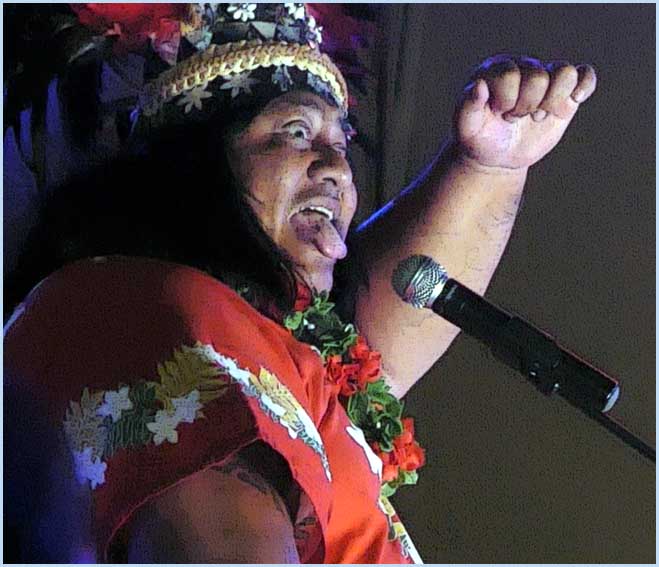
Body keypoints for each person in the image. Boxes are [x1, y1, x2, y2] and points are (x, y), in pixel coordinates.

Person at [4, 4, 596, 563]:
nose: (337, 168)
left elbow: (368, 360)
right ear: (194, 166)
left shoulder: (251, 342)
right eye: (294, 132)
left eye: (341, 143)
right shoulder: (147, 311)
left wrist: (489, 165)